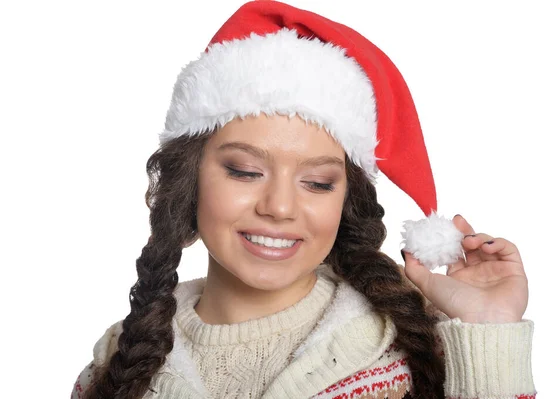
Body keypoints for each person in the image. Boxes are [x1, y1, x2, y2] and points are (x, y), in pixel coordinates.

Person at [71, 1, 535, 398]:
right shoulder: (117, 361)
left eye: (317, 183)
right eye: (245, 171)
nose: (279, 206)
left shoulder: (424, 344)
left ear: (346, 200)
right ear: (188, 179)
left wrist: (488, 329)